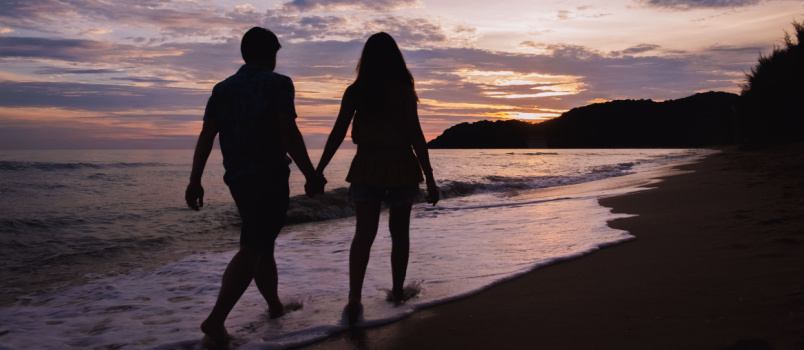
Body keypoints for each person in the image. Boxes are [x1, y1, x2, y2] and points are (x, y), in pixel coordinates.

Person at [184, 27, 325, 348]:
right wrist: (311, 173)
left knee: (262, 243)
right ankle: (216, 320)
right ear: (272, 54)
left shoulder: (222, 89)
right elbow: (287, 130)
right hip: (270, 176)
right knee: (253, 245)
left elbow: (207, 136)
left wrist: (195, 180)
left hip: (236, 178)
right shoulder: (278, 83)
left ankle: (274, 307)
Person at [315, 32, 439, 324]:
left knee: (364, 234)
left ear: (365, 60)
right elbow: (416, 136)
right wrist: (430, 177)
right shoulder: (404, 91)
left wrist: (319, 169)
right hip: (400, 164)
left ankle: (354, 299)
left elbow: (337, 133)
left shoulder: (356, 91)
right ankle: (397, 292)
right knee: (400, 233)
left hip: (367, 163)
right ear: (396, 59)